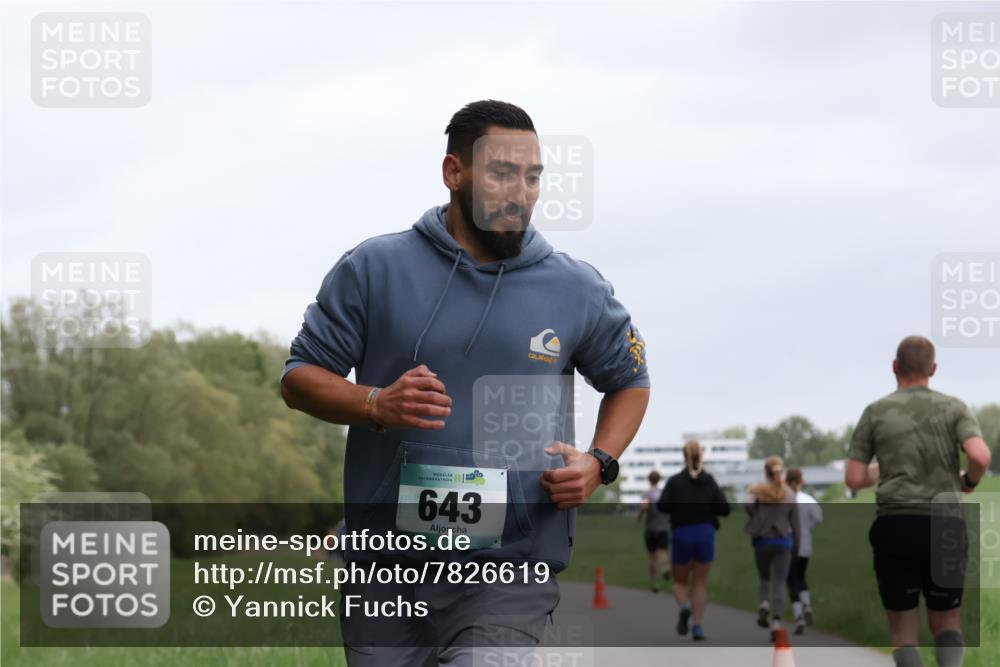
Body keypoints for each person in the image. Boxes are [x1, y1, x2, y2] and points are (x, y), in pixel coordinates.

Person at [281, 100, 651, 666]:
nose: (520, 192)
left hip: (510, 570)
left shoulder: (575, 288)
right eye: (503, 173)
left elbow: (630, 379)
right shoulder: (374, 269)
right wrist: (375, 402)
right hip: (384, 571)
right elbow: (300, 378)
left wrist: (599, 461)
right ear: (455, 172)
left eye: (533, 177)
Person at [846, 335, 991, 667]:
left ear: (895, 367)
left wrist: (881, 470)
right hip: (947, 526)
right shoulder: (954, 407)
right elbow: (980, 455)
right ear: (933, 369)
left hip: (896, 525)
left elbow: (854, 478)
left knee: (903, 631)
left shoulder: (876, 411)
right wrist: (968, 481)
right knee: (947, 621)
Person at [657, 440, 730, 641]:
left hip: (682, 533)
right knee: (700, 583)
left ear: (684, 456)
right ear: (701, 455)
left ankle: (685, 606)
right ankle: (697, 627)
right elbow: (724, 509)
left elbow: (662, 506)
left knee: (680, 583)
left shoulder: (675, 482)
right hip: (705, 533)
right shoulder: (709, 481)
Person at [744, 455, 799, 641]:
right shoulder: (790, 494)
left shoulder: (758, 491)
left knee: (764, 577)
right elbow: (795, 522)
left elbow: (748, 505)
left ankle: (764, 603)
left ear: (765, 472)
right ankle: (776, 622)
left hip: (762, 542)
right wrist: (796, 547)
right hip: (783, 542)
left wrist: (757, 515)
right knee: (780, 582)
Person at [784, 467, 822, 634]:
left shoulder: (784, 499)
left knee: (791, 580)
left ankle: (799, 616)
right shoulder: (808, 499)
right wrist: (807, 527)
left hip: (787, 544)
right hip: (805, 544)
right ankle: (806, 604)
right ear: (801, 482)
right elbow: (819, 518)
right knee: (801, 577)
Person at [637, 469, 670, 592]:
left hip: (651, 529)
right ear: (659, 479)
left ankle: (655, 583)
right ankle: (665, 568)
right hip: (663, 528)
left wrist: (640, 517)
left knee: (651, 557)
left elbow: (644, 507)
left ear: (649, 480)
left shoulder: (647, 493)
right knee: (663, 551)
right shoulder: (663, 493)